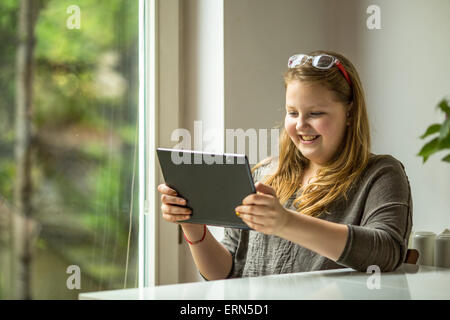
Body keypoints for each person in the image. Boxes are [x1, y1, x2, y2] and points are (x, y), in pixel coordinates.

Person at [157, 50, 413, 280]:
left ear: (349, 113)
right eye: (293, 112)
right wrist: (192, 225)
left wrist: (285, 222)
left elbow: (386, 254)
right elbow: (227, 273)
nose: (301, 125)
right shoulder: (265, 175)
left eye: (315, 113)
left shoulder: (380, 175)